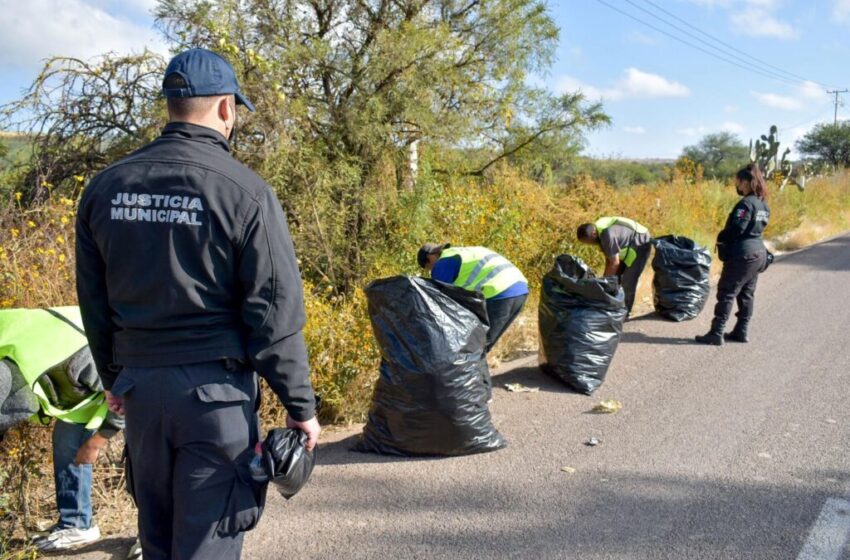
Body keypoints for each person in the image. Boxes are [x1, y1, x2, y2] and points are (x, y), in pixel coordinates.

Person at [75, 48, 320, 560]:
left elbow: (93, 302)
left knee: (157, 540)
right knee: (207, 544)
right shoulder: (246, 193)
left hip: (142, 391)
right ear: (227, 109)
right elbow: (272, 314)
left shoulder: (106, 188)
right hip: (216, 398)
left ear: (170, 106)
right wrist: (300, 406)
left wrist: (116, 377)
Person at [0, 307, 125, 553]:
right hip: (86, 388)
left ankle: (156, 536)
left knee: (145, 460)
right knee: (68, 440)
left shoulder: (80, 359)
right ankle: (77, 524)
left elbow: (129, 398)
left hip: (144, 379)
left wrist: (98, 441)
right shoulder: (17, 348)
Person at [696, 163, 770, 346]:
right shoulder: (762, 204)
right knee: (746, 294)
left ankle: (716, 332)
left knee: (727, 292)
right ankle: (741, 330)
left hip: (743, 255)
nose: (736, 184)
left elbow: (738, 227)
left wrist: (721, 237)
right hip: (758, 254)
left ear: (745, 182)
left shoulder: (746, 204)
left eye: (737, 181)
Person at [417, 243, 529, 352]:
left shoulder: (442, 264)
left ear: (429, 257)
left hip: (500, 292)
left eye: (428, 268)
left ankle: (468, 370)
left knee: (478, 345)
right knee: (485, 342)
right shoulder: (461, 253)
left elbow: (440, 301)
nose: (431, 271)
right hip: (520, 288)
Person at [576, 216, 652, 314]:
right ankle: (613, 307)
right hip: (629, 244)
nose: (590, 244)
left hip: (641, 242)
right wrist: (605, 280)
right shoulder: (599, 232)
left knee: (628, 280)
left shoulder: (607, 235)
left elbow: (614, 262)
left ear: (593, 234)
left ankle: (624, 312)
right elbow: (609, 258)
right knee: (615, 278)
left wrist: (604, 282)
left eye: (589, 241)